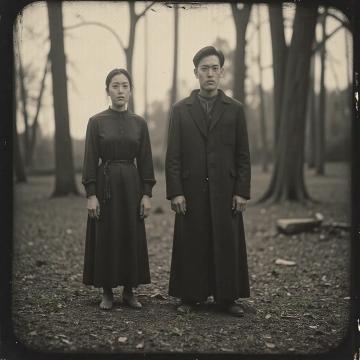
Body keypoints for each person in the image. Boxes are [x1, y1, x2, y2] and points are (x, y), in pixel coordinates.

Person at [165, 46, 251, 317]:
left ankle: (227, 298)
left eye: (215, 68)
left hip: (226, 191)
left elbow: (243, 155)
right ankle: (190, 297)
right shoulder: (181, 110)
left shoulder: (235, 109)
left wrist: (241, 192)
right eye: (204, 69)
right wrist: (176, 192)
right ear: (196, 73)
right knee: (192, 242)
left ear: (222, 73)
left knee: (226, 242)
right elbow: (173, 156)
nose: (210, 74)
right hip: (191, 192)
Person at [82, 68, 156, 310]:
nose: (120, 90)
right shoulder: (96, 122)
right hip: (106, 186)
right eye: (115, 86)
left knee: (130, 234)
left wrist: (146, 193)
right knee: (106, 234)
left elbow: (145, 160)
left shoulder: (139, 123)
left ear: (130, 90)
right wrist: (91, 194)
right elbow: (90, 159)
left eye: (125, 86)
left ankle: (129, 290)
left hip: (132, 186)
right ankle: (106, 291)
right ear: (108, 91)